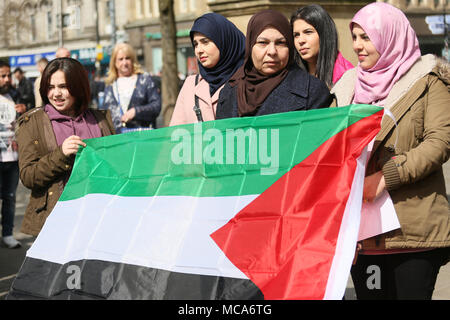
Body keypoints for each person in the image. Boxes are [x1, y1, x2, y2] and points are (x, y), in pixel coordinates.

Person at [331, 2, 450, 300]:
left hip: (413, 229)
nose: (357, 46)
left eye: (366, 37)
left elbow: (439, 143)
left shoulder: (427, 81)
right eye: (355, 37)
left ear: (391, 36)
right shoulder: (345, 88)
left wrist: (387, 176)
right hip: (364, 235)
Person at [16, 58, 115, 236]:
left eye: (63, 86)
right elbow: (28, 176)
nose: (56, 94)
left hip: (99, 218)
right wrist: (61, 155)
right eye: (51, 87)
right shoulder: (32, 123)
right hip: (57, 221)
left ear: (78, 86)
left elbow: (117, 167)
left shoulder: (101, 119)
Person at [216, 9, 332, 120]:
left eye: (280, 43)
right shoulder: (229, 91)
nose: (272, 51)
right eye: (263, 43)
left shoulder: (312, 91)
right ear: (250, 46)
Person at [169, 13, 245, 126]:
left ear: (224, 41)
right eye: (195, 44)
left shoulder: (248, 80)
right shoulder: (190, 84)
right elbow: (174, 135)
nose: (199, 50)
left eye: (205, 42)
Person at [290, 4, 353, 88]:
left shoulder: (346, 77)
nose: (301, 40)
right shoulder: (289, 74)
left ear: (325, 34)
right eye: (296, 35)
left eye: (308, 32)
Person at [103, 43, 161, 133]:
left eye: (127, 58)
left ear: (133, 60)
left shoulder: (145, 80)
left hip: (142, 137)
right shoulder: (110, 84)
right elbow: (104, 115)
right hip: (117, 140)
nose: (124, 62)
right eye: (120, 59)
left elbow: (156, 106)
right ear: (114, 62)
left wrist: (136, 111)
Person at [0, 61, 27, 248]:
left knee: (10, 197)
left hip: (13, 156)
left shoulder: (15, 96)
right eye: (2, 75)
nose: (7, 79)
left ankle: (8, 234)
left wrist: (24, 112)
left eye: (8, 75)